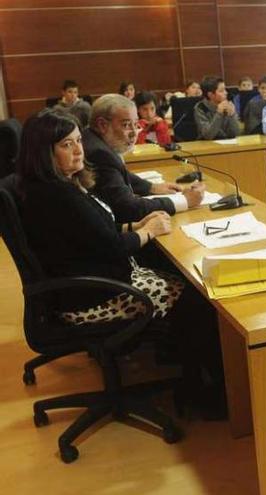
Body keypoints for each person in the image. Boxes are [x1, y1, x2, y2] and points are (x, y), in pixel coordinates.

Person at [16, 108, 226, 415]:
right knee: (196, 296)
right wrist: (149, 231)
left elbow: (93, 233)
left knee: (182, 281)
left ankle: (186, 368)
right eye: (66, 145)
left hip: (84, 281)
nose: (78, 150)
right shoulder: (59, 195)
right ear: (43, 153)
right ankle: (202, 393)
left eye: (78, 141)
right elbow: (111, 246)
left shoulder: (53, 186)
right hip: (93, 296)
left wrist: (135, 227)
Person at [85, 94, 204, 223]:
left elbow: (119, 173)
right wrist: (184, 201)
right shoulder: (99, 154)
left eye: (135, 124)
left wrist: (151, 187)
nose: (134, 132)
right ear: (102, 125)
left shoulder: (94, 140)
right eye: (126, 125)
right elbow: (129, 209)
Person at [194, 76, 239, 140]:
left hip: (227, 144)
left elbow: (235, 133)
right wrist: (219, 113)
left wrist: (232, 115)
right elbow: (208, 135)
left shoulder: (228, 105)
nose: (226, 93)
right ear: (210, 95)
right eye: (221, 91)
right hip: (207, 145)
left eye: (225, 89)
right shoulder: (200, 108)